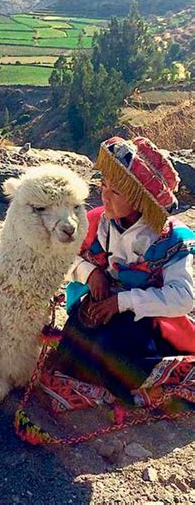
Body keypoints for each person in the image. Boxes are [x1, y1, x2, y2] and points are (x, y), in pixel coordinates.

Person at [52, 136, 195, 405]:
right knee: (76, 331)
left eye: (115, 191)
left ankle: (132, 384)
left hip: (146, 318)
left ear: (140, 200)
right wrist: (90, 274)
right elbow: (66, 259)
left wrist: (121, 302)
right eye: (103, 185)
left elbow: (183, 298)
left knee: (115, 347)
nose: (104, 195)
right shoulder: (99, 221)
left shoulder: (172, 240)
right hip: (104, 300)